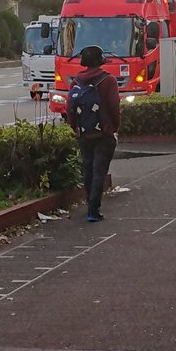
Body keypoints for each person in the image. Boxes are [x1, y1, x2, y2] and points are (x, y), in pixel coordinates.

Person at [62, 44, 121, 222]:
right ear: (100, 61)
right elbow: (114, 107)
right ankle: (93, 210)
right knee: (99, 171)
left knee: (88, 169)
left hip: (84, 134)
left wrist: (76, 128)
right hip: (103, 134)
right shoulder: (108, 80)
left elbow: (70, 109)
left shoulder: (76, 82)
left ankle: (89, 202)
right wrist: (113, 128)